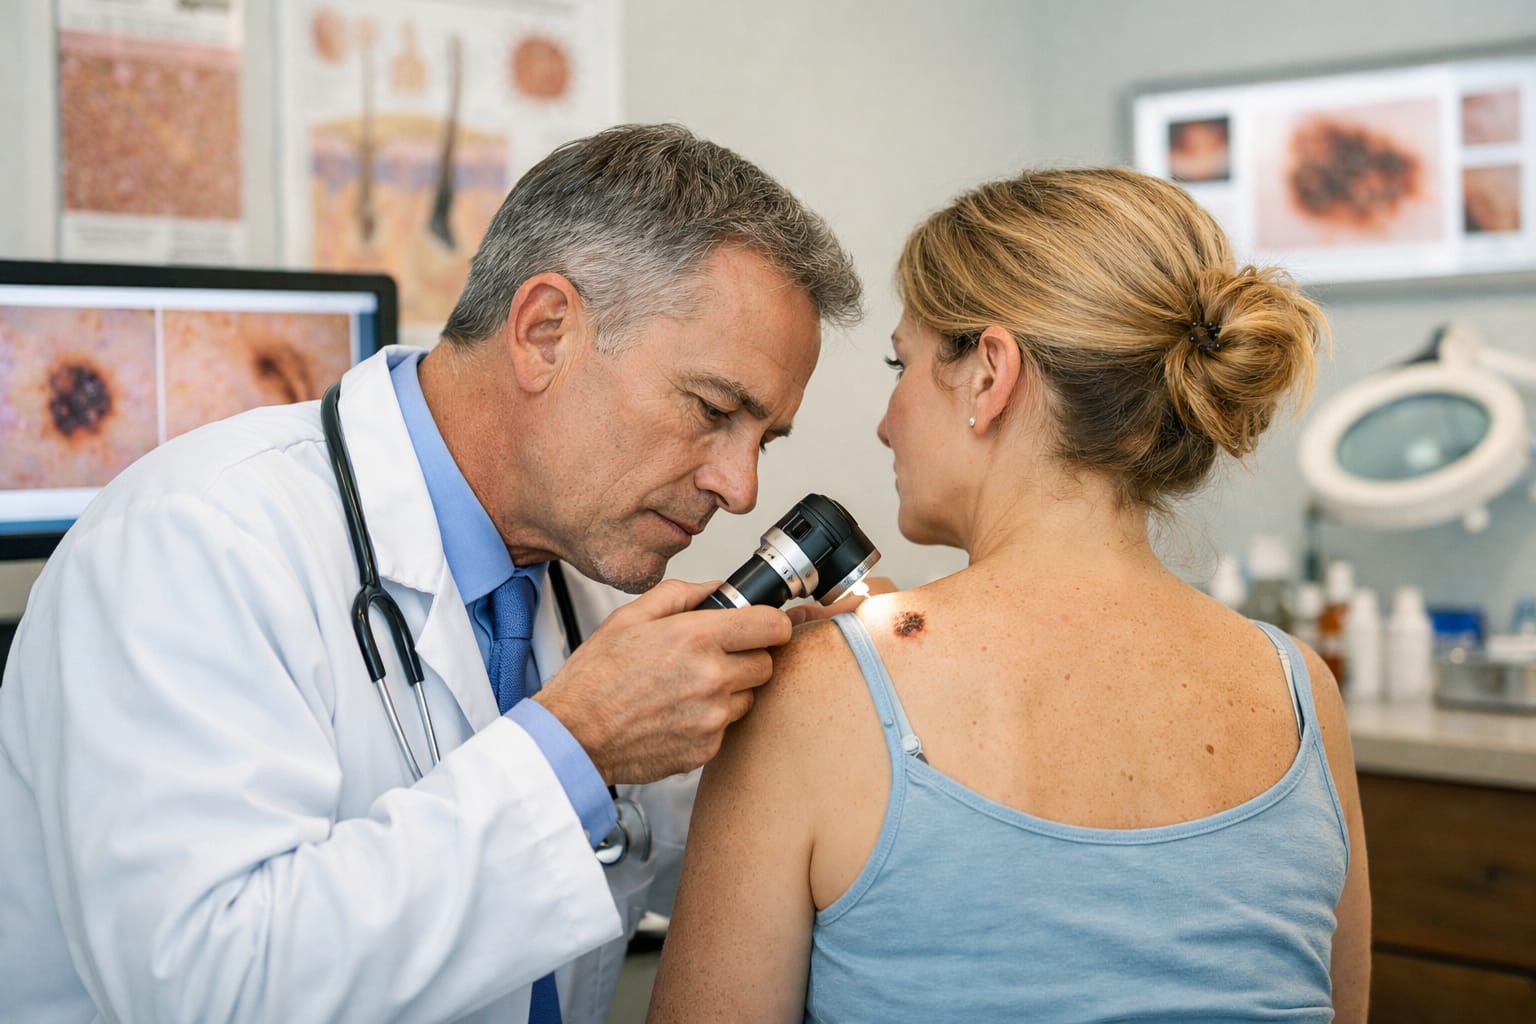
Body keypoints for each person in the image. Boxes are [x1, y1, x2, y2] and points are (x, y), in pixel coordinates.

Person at [0, 123, 862, 1024]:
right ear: (545, 332)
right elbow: (213, 986)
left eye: (764, 439)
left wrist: (827, 731)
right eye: (714, 410)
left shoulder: (593, 581)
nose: (740, 483)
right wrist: (574, 744)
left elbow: (723, 863)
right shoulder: (193, 543)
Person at [648, 168, 1371, 1023]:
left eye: (902, 362)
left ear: (990, 375)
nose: (886, 420)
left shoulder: (817, 692)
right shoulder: (1300, 692)